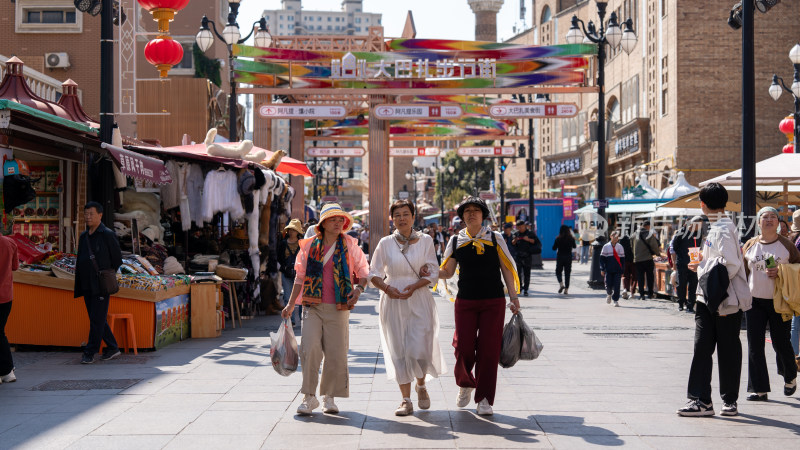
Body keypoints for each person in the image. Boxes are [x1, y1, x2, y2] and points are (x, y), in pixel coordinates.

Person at [281, 203, 370, 416]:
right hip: (313, 305)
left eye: (341, 220)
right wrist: (291, 303)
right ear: (323, 223)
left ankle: (329, 396)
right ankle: (309, 397)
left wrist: (358, 289)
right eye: (334, 219)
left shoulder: (349, 244)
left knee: (336, 352)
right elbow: (300, 277)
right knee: (309, 348)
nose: (339, 223)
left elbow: (363, 271)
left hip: (339, 307)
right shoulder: (309, 245)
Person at [438, 197, 520, 416]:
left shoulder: (495, 238)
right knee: (463, 347)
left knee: (488, 350)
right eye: (467, 211)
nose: (471, 214)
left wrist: (514, 298)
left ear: (483, 215)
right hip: (465, 301)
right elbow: (446, 272)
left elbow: (506, 268)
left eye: (476, 210)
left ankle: (484, 398)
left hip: (493, 301)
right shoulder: (456, 241)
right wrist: (426, 271)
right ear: (462, 216)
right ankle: (465, 383)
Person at [678, 183, 751, 418]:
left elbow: (731, 264)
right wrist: (702, 266)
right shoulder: (720, 226)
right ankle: (707, 399)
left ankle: (719, 400)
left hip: (722, 298)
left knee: (722, 350)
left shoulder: (722, 228)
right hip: (709, 297)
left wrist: (702, 270)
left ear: (703, 204)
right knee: (706, 348)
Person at [369, 200, 446, 416]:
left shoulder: (426, 241)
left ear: (413, 217)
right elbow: (372, 272)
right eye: (397, 215)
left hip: (419, 296)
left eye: (406, 214)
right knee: (399, 350)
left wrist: (415, 285)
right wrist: (386, 288)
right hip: (393, 299)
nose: (402, 218)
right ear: (392, 219)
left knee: (420, 346)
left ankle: (421, 384)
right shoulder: (385, 243)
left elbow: (432, 271)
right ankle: (405, 400)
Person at [741, 207, 800, 402]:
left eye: (773, 217)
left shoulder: (787, 245)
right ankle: (759, 389)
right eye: (764, 217)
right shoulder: (750, 245)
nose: (769, 220)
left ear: (779, 223)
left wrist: (781, 272)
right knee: (754, 345)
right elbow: (743, 272)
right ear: (758, 223)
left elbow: (798, 268)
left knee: (781, 342)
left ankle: (790, 376)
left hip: (780, 301)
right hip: (754, 301)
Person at [74, 202, 123, 365]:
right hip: (86, 283)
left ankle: (90, 351)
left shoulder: (107, 234)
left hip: (101, 284)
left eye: (91, 214)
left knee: (97, 319)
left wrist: (106, 274)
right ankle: (113, 347)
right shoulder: (83, 236)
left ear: (100, 215)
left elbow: (117, 259)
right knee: (97, 318)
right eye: (85, 214)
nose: (88, 217)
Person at [670, 216, 706, 313]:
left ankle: (690, 305)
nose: (700, 226)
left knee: (693, 284)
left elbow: (699, 245)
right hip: (682, 262)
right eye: (699, 224)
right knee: (681, 283)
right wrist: (678, 259)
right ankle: (681, 303)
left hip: (694, 262)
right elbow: (674, 247)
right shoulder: (681, 232)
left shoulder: (699, 233)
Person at [277, 219, 304, 326]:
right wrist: (283, 268)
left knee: (301, 297)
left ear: (298, 231)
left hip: (300, 273)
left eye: (294, 230)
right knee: (288, 296)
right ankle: (291, 319)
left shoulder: (302, 243)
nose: (291, 232)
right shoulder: (283, 243)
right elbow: (279, 257)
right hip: (286, 273)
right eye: (290, 230)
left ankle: (301, 316)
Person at [0, 234, 19, 384]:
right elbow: (15, 267)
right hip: (6, 296)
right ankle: (7, 370)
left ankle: (7, 369)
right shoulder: (10, 242)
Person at [632, 220, 660, 300]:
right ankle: (650, 294)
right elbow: (654, 245)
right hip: (647, 258)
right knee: (649, 276)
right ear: (648, 226)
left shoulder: (634, 235)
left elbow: (631, 246)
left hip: (637, 259)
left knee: (640, 277)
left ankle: (641, 294)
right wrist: (657, 253)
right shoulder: (648, 234)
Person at [512, 220, 539, 296]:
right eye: (518, 227)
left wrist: (528, 239)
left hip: (527, 256)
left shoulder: (530, 233)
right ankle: (520, 287)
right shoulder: (516, 234)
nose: (520, 228)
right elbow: (512, 243)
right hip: (518, 256)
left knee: (527, 274)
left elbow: (536, 241)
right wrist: (515, 240)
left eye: (521, 227)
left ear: (524, 226)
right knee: (518, 273)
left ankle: (526, 289)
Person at [599, 231, 625, 307]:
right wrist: (602, 268)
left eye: (617, 237)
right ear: (611, 236)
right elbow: (602, 259)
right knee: (608, 284)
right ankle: (609, 294)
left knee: (617, 285)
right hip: (608, 269)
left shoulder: (620, 247)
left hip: (617, 270)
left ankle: (615, 300)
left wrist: (622, 270)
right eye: (614, 236)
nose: (616, 238)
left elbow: (623, 260)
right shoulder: (606, 246)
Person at [552, 225, 577, 295]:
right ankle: (566, 289)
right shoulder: (571, 238)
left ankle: (561, 284)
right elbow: (574, 246)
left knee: (558, 272)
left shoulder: (558, 239)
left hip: (560, 257)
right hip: (568, 257)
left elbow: (553, 248)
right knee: (567, 273)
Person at [619, 233, 637, 299]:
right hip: (634, 260)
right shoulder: (635, 237)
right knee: (634, 277)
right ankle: (632, 293)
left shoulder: (623, 238)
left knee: (625, 275)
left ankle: (625, 289)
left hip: (625, 259)